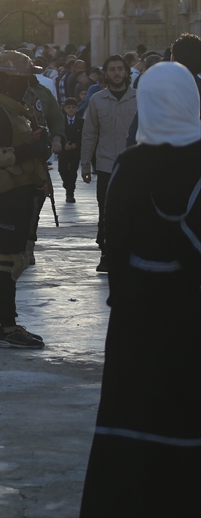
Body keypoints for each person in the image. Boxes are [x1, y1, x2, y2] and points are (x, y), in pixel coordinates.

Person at [79, 61, 201, 517]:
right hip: (192, 309)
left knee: (134, 409)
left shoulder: (129, 167)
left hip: (139, 312)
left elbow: (115, 243)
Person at [0, 51, 48, 349]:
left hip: (19, 190)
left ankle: (10, 324)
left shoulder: (13, 110)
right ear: (8, 79)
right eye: (23, 77)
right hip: (8, 194)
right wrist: (35, 148)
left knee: (16, 259)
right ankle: (7, 327)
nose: (28, 82)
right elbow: (0, 156)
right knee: (7, 261)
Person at [80, 55, 137, 273]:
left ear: (126, 72)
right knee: (106, 212)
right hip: (105, 166)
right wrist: (85, 163)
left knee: (132, 212)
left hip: (133, 167)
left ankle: (131, 251)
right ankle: (106, 252)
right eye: (112, 69)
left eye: (120, 69)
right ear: (105, 73)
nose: (116, 73)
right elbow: (90, 134)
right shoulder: (97, 100)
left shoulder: (139, 99)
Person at [58, 98, 82, 203]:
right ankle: (66, 184)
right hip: (63, 151)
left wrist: (76, 144)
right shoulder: (60, 121)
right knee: (62, 170)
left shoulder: (81, 122)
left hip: (75, 151)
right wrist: (64, 144)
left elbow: (84, 135)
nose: (71, 109)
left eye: (73, 107)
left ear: (77, 108)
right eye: (68, 107)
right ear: (64, 109)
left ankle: (70, 193)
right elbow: (57, 133)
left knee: (73, 172)